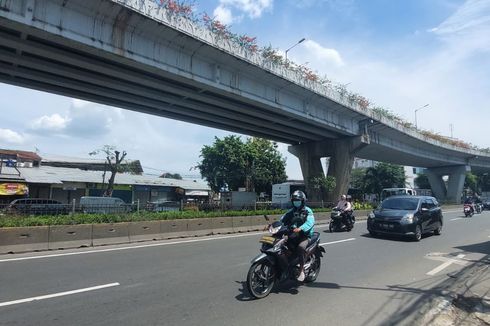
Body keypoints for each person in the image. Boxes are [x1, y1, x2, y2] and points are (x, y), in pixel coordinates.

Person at [280, 190, 315, 282]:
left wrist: (301, 228)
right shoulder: (291, 211)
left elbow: (310, 222)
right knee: (281, 244)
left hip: (304, 236)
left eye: (298, 200)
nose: (296, 202)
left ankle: (301, 270)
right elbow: (282, 219)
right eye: (294, 200)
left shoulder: (308, 211)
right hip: (293, 234)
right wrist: (274, 225)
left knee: (300, 247)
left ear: (303, 201)